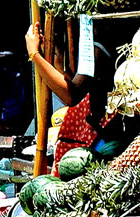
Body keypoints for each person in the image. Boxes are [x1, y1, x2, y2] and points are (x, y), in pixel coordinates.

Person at [25, 22, 113, 171]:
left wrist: (34, 55)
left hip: (106, 136)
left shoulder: (99, 50)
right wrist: (56, 62)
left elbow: (71, 95)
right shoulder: (96, 45)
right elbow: (72, 85)